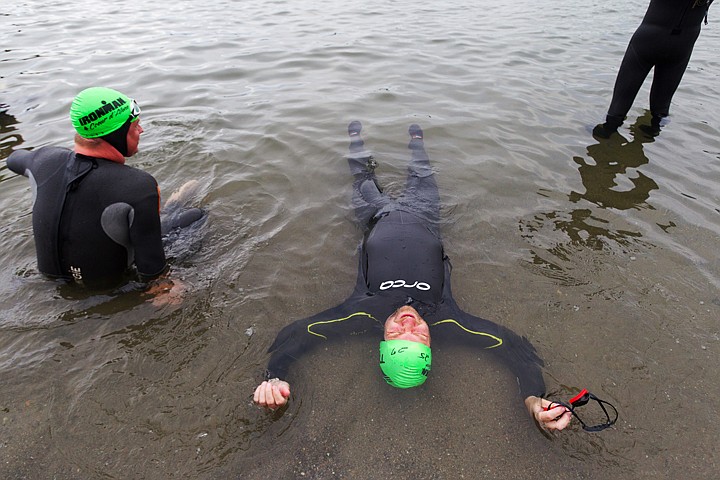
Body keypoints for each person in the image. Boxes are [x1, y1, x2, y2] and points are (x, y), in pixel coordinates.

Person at [253, 122, 573, 432]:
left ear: (382, 341)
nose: (409, 323)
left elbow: (299, 334)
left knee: (362, 177)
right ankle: (416, 138)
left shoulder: (362, 314)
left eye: (397, 333)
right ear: (431, 343)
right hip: (425, 214)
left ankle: (355, 138)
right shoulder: (448, 321)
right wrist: (535, 400)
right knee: (422, 171)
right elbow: (511, 348)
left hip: (375, 214)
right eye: (419, 336)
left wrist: (274, 377)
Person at [6, 86, 204, 293]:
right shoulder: (139, 186)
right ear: (116, 134)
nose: (141, 130)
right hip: (110, 288)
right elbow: (152, 272)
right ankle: (172, 207)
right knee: (195, 216)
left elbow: (13, 159)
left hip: (49, 280)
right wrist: (168, 286)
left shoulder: (43, 160)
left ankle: (169, 208)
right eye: (134, 125)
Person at [593, 0, 714, 138]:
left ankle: (607, 133)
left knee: (620, 102)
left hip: (648, 40)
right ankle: (652, 135)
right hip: (683, 45)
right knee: (661, 109)